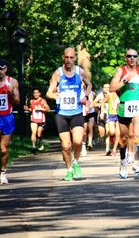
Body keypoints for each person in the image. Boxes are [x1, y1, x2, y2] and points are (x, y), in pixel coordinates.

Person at [46, 47, 92, 181]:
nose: (69, 60)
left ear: (75, 58)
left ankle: (76, 162)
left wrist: (86, 97)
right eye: (67, 57)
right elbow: (49, 92)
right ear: (63, 57)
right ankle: (69, 169)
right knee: (66, 146)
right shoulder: (58, 73)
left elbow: (89, 85)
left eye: (71, 57)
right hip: (61, 114)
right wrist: (54, 96)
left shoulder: (80, 72)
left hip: (76, 112)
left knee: (77, 142)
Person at [109, 49, 139, 179]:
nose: (132, 58)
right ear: (125, 58)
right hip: (123, 106)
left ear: (137, 58)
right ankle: (123, 164)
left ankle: (136, 163)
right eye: (129, 56)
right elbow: (111, 87)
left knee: (138, 133)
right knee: (124, 138)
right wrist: (125, 81)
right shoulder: (121, 71)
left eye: (134, 56)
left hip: (137, 105)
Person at [0, 58, 20, 184]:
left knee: (4, 148)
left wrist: (11, 95)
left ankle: (2, 172)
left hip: (7, 118)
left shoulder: (12, 82)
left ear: (6, 69)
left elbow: (17, 102)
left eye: (2, 68)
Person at [24, 87, 51, 153]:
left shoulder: (42, 101)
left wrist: (40, 109)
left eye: (37, 93)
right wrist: (28, 109)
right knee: (33, 132)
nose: (35, 94)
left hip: (41, 120)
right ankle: (34, 147)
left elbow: (48, 109)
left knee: (39, 134)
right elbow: (32, 110)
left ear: (39, 93)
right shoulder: (31, 101)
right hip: (33, 119)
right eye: (34, 93)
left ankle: (41, 141)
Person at [93, 82, 110, 153]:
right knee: (102, 133)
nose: (106, 89)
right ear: (103, 88)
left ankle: (107, 148)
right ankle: (100, 138)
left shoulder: (112, 94)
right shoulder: (100, 95)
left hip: (110, 115)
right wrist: (101, 103)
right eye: (105, 87)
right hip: (101, 115)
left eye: (108, 87)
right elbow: (93, 103)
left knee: (108, 132)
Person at [81, 83, 96, 156]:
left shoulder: (89, 93)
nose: (84, 84)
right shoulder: (79, 91)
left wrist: (89, 107)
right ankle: (83, 144)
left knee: (90, 127)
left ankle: (90, 143)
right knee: (84, 130)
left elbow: (93, 103)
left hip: (90, 112)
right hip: (82, 113)